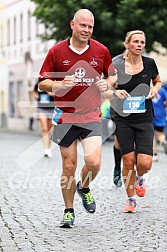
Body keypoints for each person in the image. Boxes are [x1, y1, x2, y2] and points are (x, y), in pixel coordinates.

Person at [38, 9, 116, 228]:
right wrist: (59, 85)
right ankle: (69, 210)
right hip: (65, 116)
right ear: (72, 24)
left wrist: (107, 84)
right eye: (83, 25)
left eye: (90, 26)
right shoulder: (56, 51)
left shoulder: (101, 50)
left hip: (91, 114)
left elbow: (112, 76)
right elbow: (42, 82)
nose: (87, 30)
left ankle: (84, 187)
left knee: (94, 162)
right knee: (69, 166)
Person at [104, 30, 162, 213]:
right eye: (135, 41)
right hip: (123, 118)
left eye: (142, 42)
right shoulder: (116, 65)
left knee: (145, 162)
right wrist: (115, 92)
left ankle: (139, 177)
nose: (139, 45)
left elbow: (158, 81)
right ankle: (130, 199)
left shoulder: (150, 63)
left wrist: (155, 90)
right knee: (128, 160)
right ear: (127, 44)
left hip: (144, 117)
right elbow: (105, 89)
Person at [32, 82, 55, 158]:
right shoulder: (39, 83)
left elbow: (61, 94)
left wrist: (51, 93)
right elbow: (34, 91)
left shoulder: (53, 83)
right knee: (44, 128)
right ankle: (46, 149)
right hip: (41, 108)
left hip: (52, 108)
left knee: (50, 129)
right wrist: (35, 96)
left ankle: (49, 148)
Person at [152, 86, 167, 161]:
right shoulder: (162, 90)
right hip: (161, 114)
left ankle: (155, 154)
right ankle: (163, 141)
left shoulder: (148, 89)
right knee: (159, 133)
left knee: (151, 135)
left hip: (150, 114)